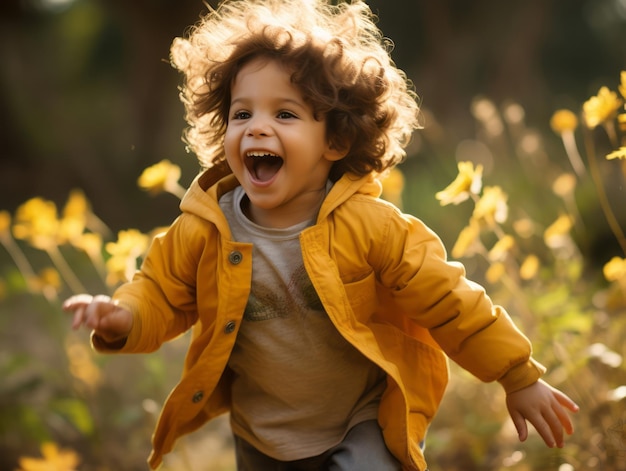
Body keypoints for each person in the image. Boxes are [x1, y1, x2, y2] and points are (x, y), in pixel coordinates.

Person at [63, 0, 579, 470]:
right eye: (242, 113)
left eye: (284, 114)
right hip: (261, 431)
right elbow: (158, 291)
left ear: (334, 140)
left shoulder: (371, 227)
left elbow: (451, 300)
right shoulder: (204, 229)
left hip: (361, 420)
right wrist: (122, 315)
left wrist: (518, 375)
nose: (257, 128)